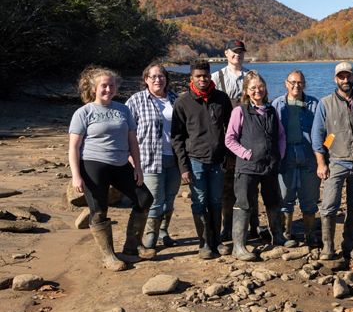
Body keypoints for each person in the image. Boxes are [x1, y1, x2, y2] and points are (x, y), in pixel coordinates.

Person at [69, 66, 154, 271]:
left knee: (144, 198)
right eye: (104, 86)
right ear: (94, 88)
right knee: (99, 210)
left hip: (121, 164)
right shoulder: (84, 112)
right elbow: (74, 146)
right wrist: (76, 176)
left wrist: (138, 167)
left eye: (112, 85)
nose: (108, 89)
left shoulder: (123, 110)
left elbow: (133, 141)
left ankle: (132, 248)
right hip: (93, 165)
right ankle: (108, 255)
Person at [311, 62, 353, 261]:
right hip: (335, 162)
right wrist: (321, 163)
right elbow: (318, 137)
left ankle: (350, 245)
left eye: (348, 76)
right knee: (329, 206)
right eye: (341, 77)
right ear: (336, 79)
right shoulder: (325, 103)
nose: (345, 80)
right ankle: (328, 248)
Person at [172, 60, 233, 259]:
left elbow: (231, 131)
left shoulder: (221, 99)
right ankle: (204, 243)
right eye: (198, 76)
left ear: (210, 76)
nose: (202, 79)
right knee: (199, 202)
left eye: (205, 76)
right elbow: (177, 138)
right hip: (195, 160)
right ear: (191, 78)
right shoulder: (182, 103)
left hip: (218, 161)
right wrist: (183, 167)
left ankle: (217, 241)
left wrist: (229, 157)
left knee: (216, 202)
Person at [225, 71, 286, 261]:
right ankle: (239, 246)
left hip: (270, 166)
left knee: (273, 200)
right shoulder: (239, 111)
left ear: (264, 88)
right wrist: (245, 153)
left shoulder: (271, 110)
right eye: (253, 88)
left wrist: (280, 153)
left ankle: (278, 236)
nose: (257, 90)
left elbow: (281, 136)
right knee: (243, 204)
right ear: (247, 90)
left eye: (260, 87)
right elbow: (230, 139)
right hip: (247, 168)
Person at [126, 62, 181, 250]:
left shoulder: (176, 99)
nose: (158, 80)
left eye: (161, 76)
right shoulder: (136, 100)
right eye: (154, 76)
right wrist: (130, 157)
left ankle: (163, 233)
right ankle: (151, 237)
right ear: (146, 79)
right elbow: (125, 130)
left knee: (170, 199)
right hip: (149, 159)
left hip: (174, 158)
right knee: (155, 201)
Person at [211, 39, 257, 243]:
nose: (237, 55)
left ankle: (254, 227)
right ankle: (227, 227)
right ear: (226, 53)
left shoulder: (252, 77)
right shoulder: (216, 77)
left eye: (241, 52)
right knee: (227, 187)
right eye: (234, 52)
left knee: (251, 185)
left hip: (249, 139)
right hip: (225, 141)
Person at [272, 70, 321, 246]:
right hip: (286, 155)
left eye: (299, 82)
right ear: (286, 83)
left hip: (309, 155)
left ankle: (310, 234)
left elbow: (328, 131)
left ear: (304, 84)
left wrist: (325, 152)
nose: (296, 85)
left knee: (310, 197)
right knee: (285, 196)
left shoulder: (315, 104)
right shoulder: (277, 104)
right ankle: (286, 233)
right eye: (292, 82)